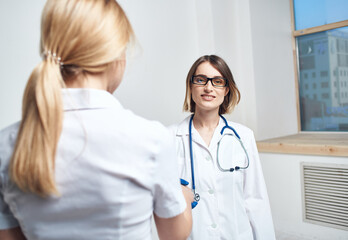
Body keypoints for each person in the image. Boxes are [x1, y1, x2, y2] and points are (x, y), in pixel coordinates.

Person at [0, 1, 193, 239]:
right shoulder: (150, 139)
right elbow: (173, 235)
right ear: (116, 56)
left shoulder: (5, 145)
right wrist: (183, 196)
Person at [170, 55, 276, 240]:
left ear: (226, 89)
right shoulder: (169, 138)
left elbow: (256, 200)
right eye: (201, 80)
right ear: (191, 85)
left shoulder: (243, 136)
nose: (208, 87)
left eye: (217, 81)